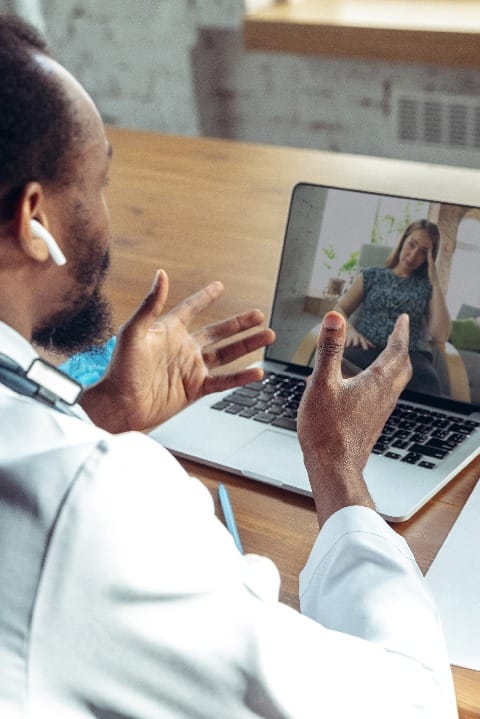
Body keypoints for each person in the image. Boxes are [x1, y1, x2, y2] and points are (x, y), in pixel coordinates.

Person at [0, 14, 457, 719]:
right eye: (99, 182)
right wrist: (335, 464)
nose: (107, 215)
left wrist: (99, 415)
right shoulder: (89, 508)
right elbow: (410, 704)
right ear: (36, 218)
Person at [334, 220, 451, 395]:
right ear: (403, 240)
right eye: (411, 244)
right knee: (340, 371)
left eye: (423, 252)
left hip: (409, 356)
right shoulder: (371, 276)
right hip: (366, 348)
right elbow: (339, 308)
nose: (412, 255)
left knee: (428, 383)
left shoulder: (426, 287)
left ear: (429, 258)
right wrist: (349, 329)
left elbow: (440, 335)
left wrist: (434, 282)